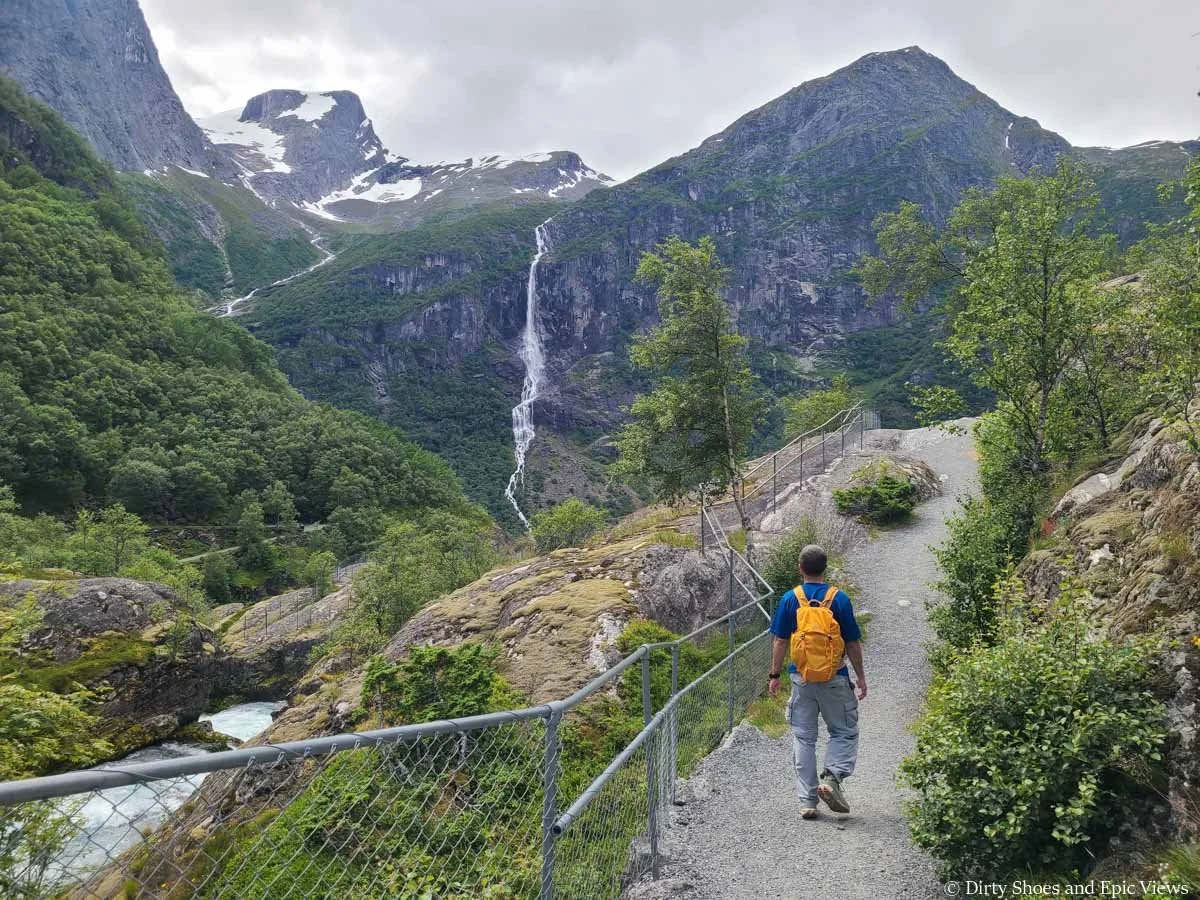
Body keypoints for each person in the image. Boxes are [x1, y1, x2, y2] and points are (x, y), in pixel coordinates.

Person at [767, 543, 867, 819]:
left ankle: (808, 801)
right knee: (844, 732)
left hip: (801, 680)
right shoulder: (839, 599)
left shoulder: (791, 599)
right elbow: (853, 643)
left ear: (800, 568)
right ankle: (832, 779)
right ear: (826, 568)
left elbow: (779, 641)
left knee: (804, 736)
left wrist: (774, 676)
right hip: (835, 678)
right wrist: (860, 677)